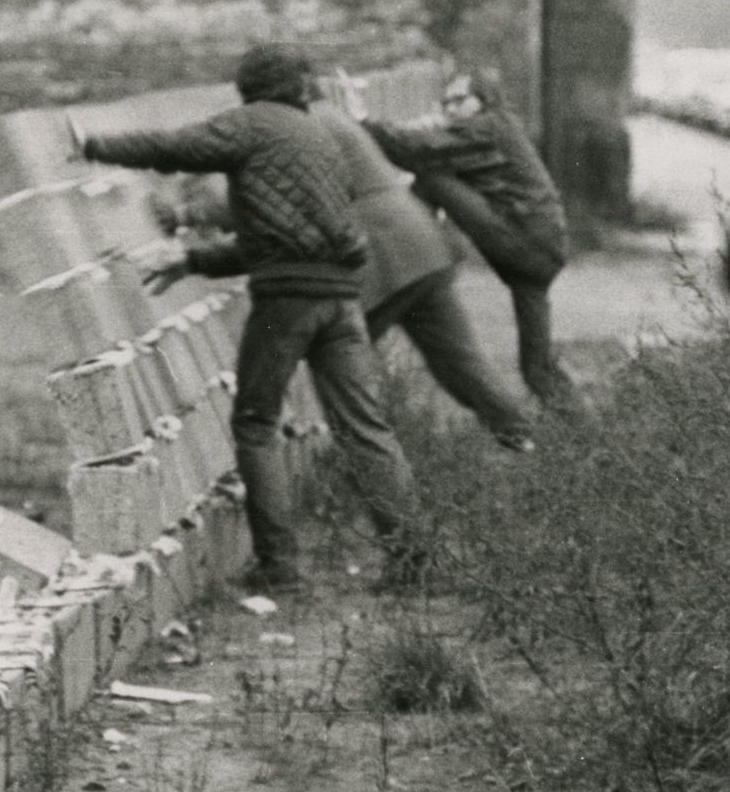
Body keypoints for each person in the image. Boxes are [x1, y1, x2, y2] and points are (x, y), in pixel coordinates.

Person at [79, 44, 426, 593]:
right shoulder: (320, 137)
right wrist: (193, 260)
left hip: (287, 302)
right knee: (365, 427)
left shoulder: (253, 126)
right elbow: (272, 239)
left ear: (249, 87)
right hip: (341, 297)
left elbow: (176, 148)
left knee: (255, 423)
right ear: (300, 85)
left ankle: (279, 567)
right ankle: (413, 562)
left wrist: (93, 144)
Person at [150, 97, 537, 451]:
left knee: (336, 368)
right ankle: (530, 442)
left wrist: (189, 218)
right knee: (460, 363)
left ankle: (374, 483)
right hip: (420, 249)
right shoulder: (327, 115)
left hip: (378, 263)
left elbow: (266, 212)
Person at [341, 68, 575, 409]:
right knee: (536, 369)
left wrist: (362, 119)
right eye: (445, 102)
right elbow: (426, 139)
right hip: (537, 253)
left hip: (526, 245)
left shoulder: (489, 126)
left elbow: (413, 149)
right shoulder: (488, 128)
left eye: (459, 100)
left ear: (485, 100)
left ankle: (409, 248)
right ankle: (583, 433)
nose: (450, 108)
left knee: (431, 172)